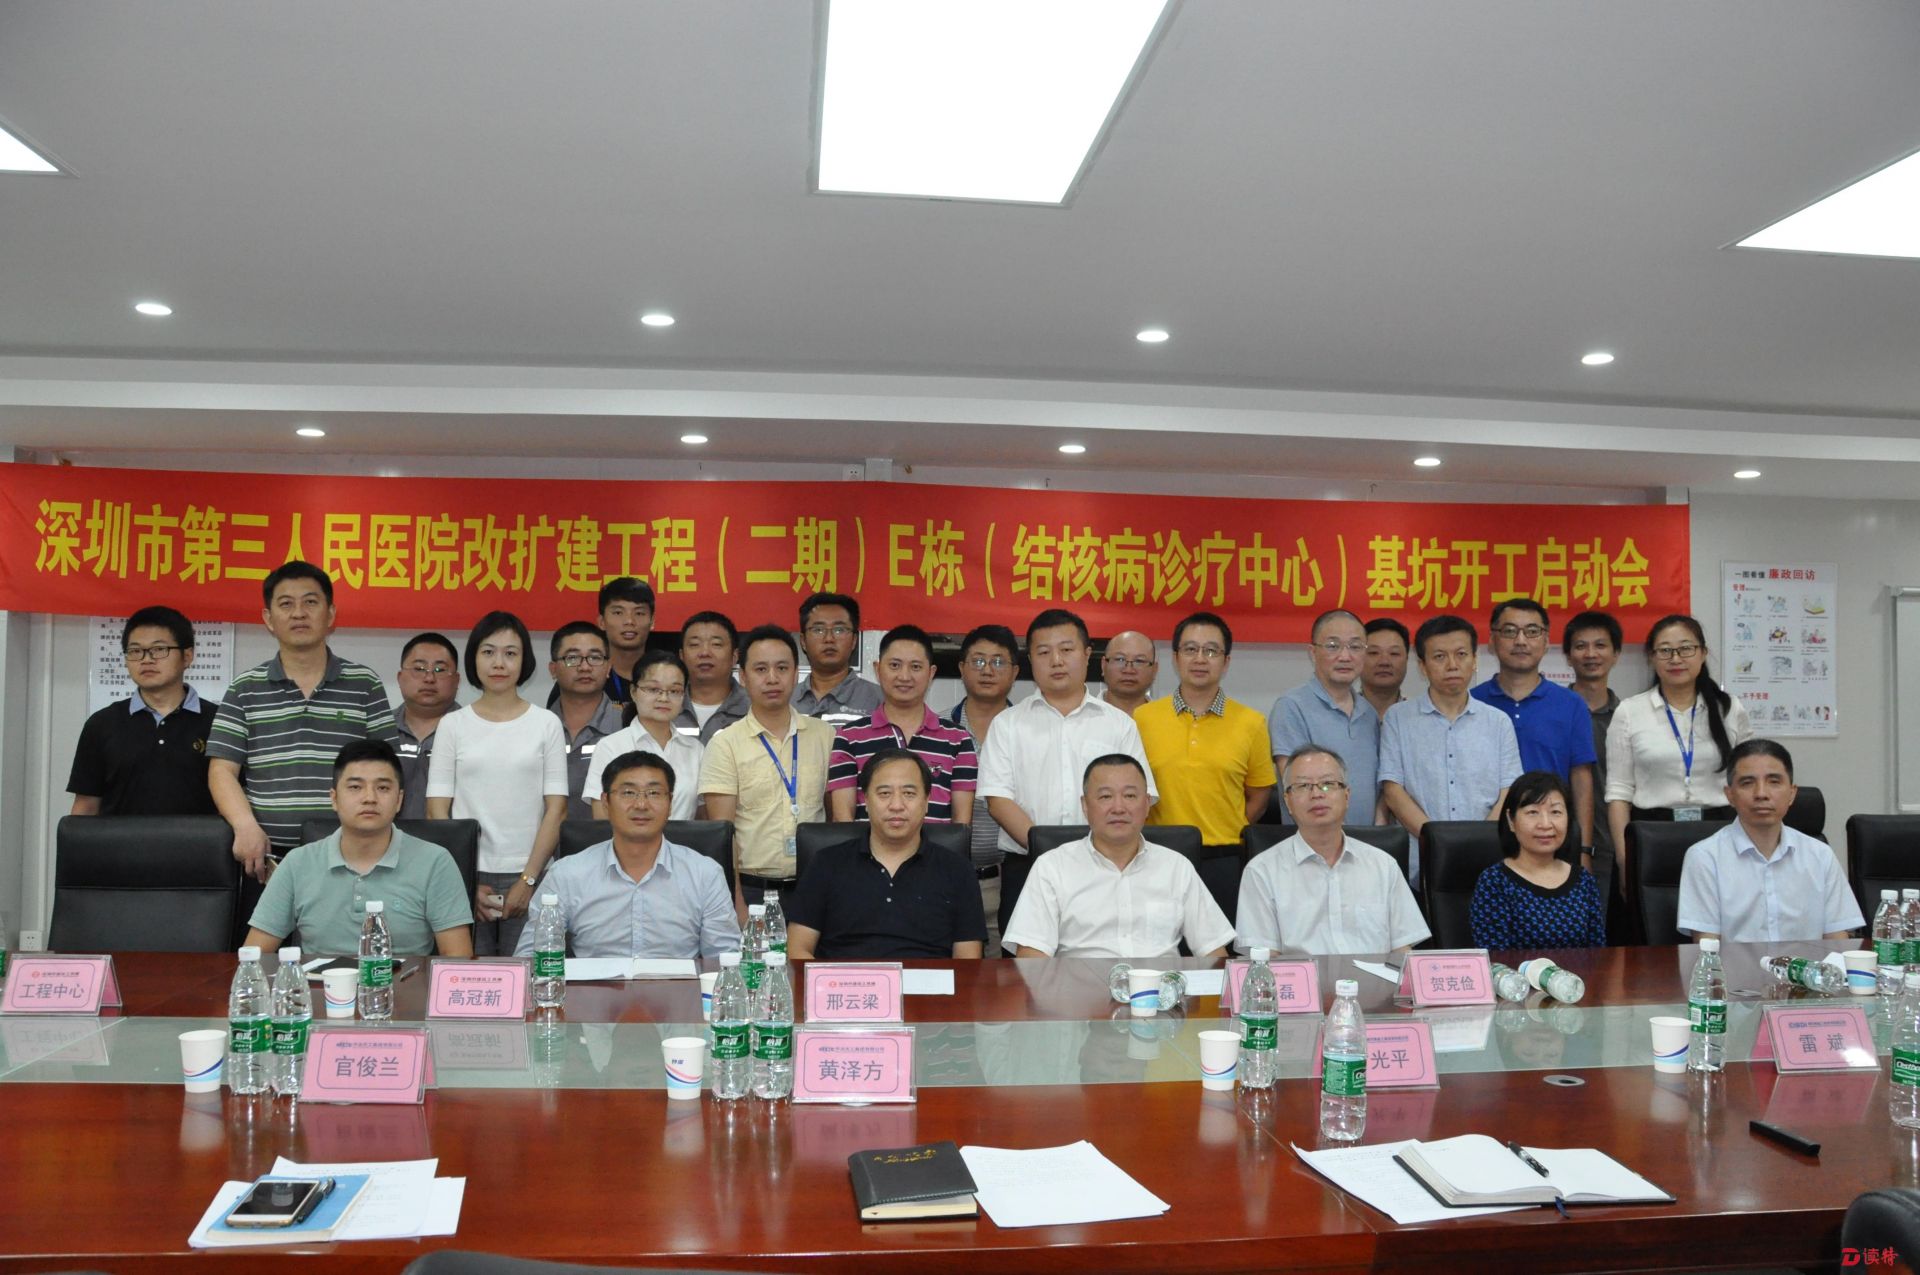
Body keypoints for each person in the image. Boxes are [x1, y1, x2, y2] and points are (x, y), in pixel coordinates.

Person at [208, 561, 397, 881]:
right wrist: (245, 826)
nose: (299, 613)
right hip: (267, 858)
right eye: (286, 604)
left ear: (330, 614)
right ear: (268, 618)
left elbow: (387, 767)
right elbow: (222, 770)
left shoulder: (364, 683)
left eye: (310, 602)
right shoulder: (245, 687)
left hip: (350, 854)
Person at [976, 608, 1156, 936]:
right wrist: (1050, 853)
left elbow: (1138, 797)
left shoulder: (1119, 725)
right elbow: (998, 800)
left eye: (1066, 649)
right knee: (1024, 965)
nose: (1056, 661)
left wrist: (1087, 856)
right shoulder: (1007, 724)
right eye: (1044, 652)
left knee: (1103, 959)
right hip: (1027, 866)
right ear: (1030, 659)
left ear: (1087, 654)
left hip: (1105, 868)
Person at [243, 740, 474, 957]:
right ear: (334, 799)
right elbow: (253, 957)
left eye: (383, 788)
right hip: (318, 985)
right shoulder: (297, 863)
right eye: (355, 787)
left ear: (399, 800)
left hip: (405, 985)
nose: (369, 798)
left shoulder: (434, 862)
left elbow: (458, 962)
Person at [426, 611, 570, 955]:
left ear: (524, 661)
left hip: (531, 872)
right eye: (488, 652)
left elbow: (557, 808)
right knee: (468, 976)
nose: (499, 663)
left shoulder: (546, 723)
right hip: (469, 873)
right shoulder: (452, 724)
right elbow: (437, 810)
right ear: (474, 659)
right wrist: (464, 882)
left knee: (529, 976)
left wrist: (528, 879)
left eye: (510, 653)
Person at [1002, 755, 1232, 959]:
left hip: (1161, 990)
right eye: (1105, 797)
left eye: (1130, 795)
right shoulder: (1052, 867)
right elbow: (1031, 957)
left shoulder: (1176, 867)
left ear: (1147, 804)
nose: (1118, 807)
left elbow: (1213, 952)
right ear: (1085, 805)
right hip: (1078, 992)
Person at [518, 751, 739, 960]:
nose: (641, 805)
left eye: (654, 793)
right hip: (594, 988)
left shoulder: (705, 874)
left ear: (670, 803)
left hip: (677, 987)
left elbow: (725, 960)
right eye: (628, 793)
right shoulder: (567, 874)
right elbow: (530, 957)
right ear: (605, 802)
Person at [788, 749, 988, 959]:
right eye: (884, 793)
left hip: (928, 979)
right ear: (866, 800)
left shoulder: (958, 870)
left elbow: (968, 960)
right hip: (848, 979)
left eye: (909, 794)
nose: (896, 806)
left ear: (926, 801)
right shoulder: (826, 864)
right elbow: (797, 949)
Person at [1604, 613, 1754, 883]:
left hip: (1719, 832)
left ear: (1703, 653)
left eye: (1686, 649)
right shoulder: (1630, 711)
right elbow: (1618, 791)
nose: (1675, 659)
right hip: (1652, 835)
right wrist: (1624, 857)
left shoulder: (1730, 709)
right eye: (1665, 651)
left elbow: (1748, 781)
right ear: (1651, 657)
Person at [1236, 746, 1428, 956]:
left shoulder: (1383, 865)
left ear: (1347, 796)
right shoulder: (1261, 871)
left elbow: (1402, 950)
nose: (1317, 794)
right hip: (1302, 978)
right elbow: (1264, 960)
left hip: (1375, 977)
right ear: (1288, 801)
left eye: (1328, 784)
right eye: (1303, 786)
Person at [700, 623, 834, 912]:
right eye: (761, 669)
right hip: (752, 890)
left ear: (796, 674)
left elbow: (836, 816)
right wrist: (736, 903)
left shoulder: (826, 736)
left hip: (816, 886)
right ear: (743, 677)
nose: (772, 678)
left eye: (782, 668)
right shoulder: (725, 744)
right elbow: (722, 836)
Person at [1378, 614, 1521, 885]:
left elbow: (1509, 790)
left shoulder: (1498, 721)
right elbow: (1393, 790)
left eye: (1461, 654)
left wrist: (1480, 842)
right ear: (1422, 666)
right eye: (1439, 656)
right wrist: (1436, 841)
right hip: (1420, 861)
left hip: (1488, 860)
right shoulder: (1398, 718)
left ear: (1475, 660)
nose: (1452, 665)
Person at [1676, 740, 1863, 942]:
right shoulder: (1705, 857)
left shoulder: (1820, 855)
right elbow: (1707, 949)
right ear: (1730, 795)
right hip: (1733, 965)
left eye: (1774, 782)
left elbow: (1837, 941)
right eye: (1747, 783)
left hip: (1808, 964)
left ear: (1792, 794)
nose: (1761, 794)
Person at [1470, 598, 1598, 860]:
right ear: (1492, 641)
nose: (1520, 641)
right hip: (1485, 835)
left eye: (1532, 631)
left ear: (1546, 641)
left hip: (1549, 837)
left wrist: (1584, 850)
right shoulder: (1472, 701)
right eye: (1509, 631)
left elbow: (1581, 780)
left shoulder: (1571, 704)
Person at [1136, 611, 1275, 850]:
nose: (1200, 659)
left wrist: (1228, 829)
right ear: (1176, 658)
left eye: (1211, 651)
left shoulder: (1252, 723)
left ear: (1226, 661)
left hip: (1226, 853)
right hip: (1159, 852)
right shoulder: (1142, 718)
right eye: (1190, 649)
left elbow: (1260, 796)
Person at [68, 604, 218, 817]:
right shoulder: (101, 724)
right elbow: (86, 805)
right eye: (136, 651)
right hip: (120, 840)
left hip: (198, 839)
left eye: (159, 649)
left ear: (187, 656)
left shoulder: (219, 721)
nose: (146, 659)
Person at [827, 624, 976, 823]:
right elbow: (842, 818)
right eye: (895, 665)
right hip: (867, 845)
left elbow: (961, 823)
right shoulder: (849, 737)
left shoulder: (957, 739)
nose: (904, 676)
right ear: (877, 669)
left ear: (931, 673)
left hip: (936, 845)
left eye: (915, 667)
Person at [1468, 771, 1607, 950]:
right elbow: (1496, 958)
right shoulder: (1494, 882)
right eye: (1532, 812)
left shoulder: (1583, 881)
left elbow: (1598, 953)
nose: (1545, 824)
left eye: (1555, 812)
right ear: (1511, 820)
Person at [946, 622, 1020, 950]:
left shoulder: (1031, 731)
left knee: (1007, 977)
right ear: (961, 668)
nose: (987, 670)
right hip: (946, 881)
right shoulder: (936, 729)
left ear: (1015, 672)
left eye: (998, 661)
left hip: (1011, 880)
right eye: (977, 661)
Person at [1269, 608, 1382, 825]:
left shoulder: (1368, 713)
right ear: (1313, 652)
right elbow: (1296, 785)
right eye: (1332, 646)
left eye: (1355, 646)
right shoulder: (1292, 707)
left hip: (1365, 841)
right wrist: (1337, 837)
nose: (1345, 656)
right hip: (1315, 839)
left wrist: (1376, 834)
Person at [586, 649, 706, 821]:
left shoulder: (695, 750)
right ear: (633, 692)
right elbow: (601, 816)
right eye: (653, 689)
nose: (664, 698)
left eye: (674, 691)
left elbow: (702, 816)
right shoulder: (610, 746)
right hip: (625, 838)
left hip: (683, 839)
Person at [546, 621, 626, 820]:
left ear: (608, 667)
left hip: (609, 838)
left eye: (595, 658)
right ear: (553, 669)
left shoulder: (628, 725)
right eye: (572, 658)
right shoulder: (536, 727)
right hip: (542, 838)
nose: (584, 667)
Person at [1564, 609, 1623, 869]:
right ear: (1568, 656)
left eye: (1600, 645)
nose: (1590, 654)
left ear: (1616, 654)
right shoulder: (1554, 713)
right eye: (1580, 646)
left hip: (1617, 845)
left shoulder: (1629, 717)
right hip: (1560, 844)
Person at [393, 632, 459, 820]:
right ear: (400, 677)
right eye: (419, 668)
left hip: (451, 837)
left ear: (457, 681)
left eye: (440, 670)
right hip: (388, 837)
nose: (429, 678)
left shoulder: (472, 731)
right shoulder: (379, 729)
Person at [791, 591, 882, 726]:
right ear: (803, 641)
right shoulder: (785, 700)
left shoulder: (880, 700)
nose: (829, 639)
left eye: (839, 630)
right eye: (818, 630)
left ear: (854, 640)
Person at [674, 610, 751, 742]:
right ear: (682, 656)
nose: (704, 653)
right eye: (694, 645)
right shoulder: (664, 705)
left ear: (734, 656)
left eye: (716, 644)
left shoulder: (754, 709)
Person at [595, 576, 655, 707]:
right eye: (618, 613)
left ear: (652, 622)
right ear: (602, 622)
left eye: (639, 613)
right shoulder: (588, 676)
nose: (629, 621)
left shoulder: (667, 677)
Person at [1361, 618, 1411, 721]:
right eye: (1374, 653)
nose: (1384, 662)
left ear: (1407, 659)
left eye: (1394, 653)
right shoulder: (1339, 716)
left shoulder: (1421, 719)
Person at [1097, 631, 1157, 716]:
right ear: (1103, 665)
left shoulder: (1166, 719)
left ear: (1154, 670)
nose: (1129, 670)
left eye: (1139, 661)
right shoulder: (1083, 717)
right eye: (1120, 659)